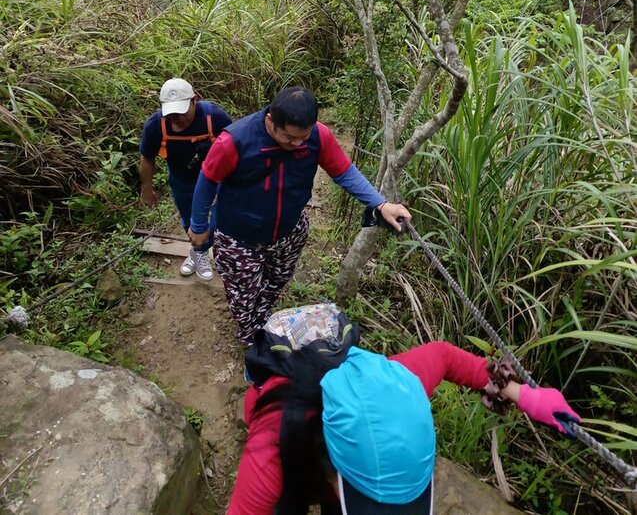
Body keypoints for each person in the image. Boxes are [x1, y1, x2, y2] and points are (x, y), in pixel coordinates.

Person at [228, 310, 582, 515]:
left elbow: (444, 356)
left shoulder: (398, 386)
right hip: (290, 416)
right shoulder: (270, 453)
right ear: (329, 464)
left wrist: (523, 394)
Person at [188, 86, 411, 345]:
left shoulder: (319, 136)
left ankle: (262, 320)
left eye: (302, 138)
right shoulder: (234, 141)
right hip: (240, 236)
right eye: (289, 138)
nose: (296, 144)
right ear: (271, 121)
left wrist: (381, 205)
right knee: (243, 296)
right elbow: (207, 180)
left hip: (289, 230)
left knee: (276, 281)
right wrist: (198, 224)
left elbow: (344, 172)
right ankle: (252, 341)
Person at [139, 78, 232, 280]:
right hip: (182, 180)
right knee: (190, 220)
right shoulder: (156, 125)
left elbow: (236, 144)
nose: (178, 119)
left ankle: (222, 253)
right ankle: (198, 252)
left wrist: (218, 149)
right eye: (172, 114)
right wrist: (147, 189)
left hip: (216, 179)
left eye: (182, 112)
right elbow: (147, 157)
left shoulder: (213, 116)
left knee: (221, 217)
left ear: (195, 100)